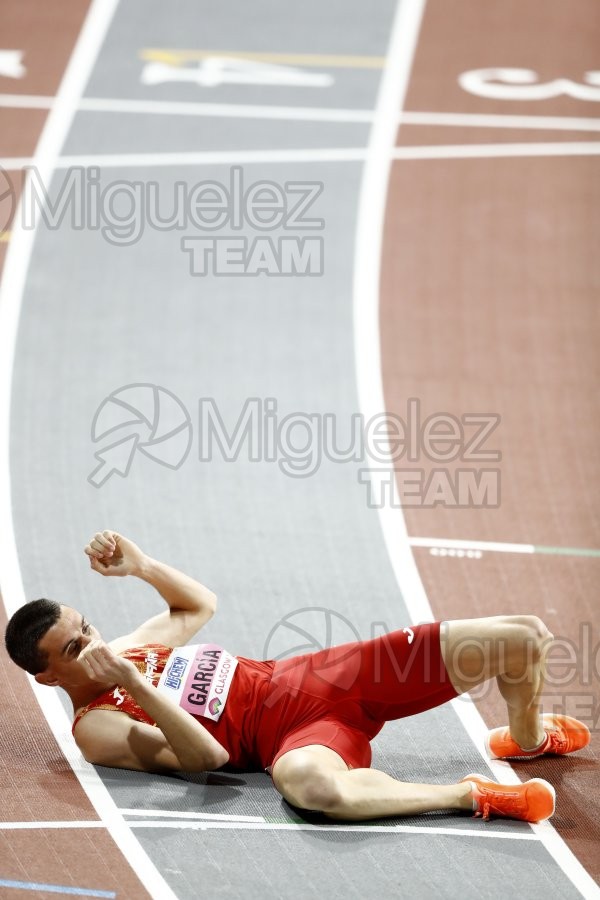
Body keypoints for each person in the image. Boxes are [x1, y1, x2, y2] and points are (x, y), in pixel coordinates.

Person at [4, 530, 590, 825]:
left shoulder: (130, 647)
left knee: (526, 636)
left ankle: (529, 738)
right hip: (293, 739)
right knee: (310, 788)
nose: (97, 646)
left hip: (329, 675)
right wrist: (137, 688)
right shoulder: (96, 727)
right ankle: (473, 795)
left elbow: (196, 608)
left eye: (89, 628)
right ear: (50, 677)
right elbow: (204, 757)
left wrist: (143, 567)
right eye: (76, 648)